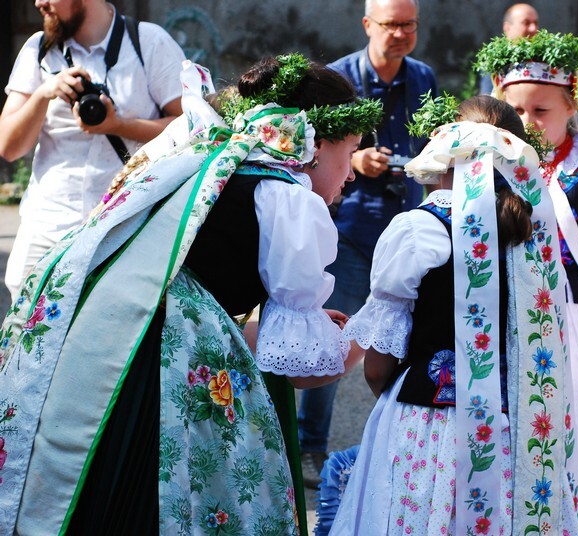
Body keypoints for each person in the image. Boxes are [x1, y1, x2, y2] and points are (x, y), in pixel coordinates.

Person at [0, 54, 380, 535]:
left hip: (111, 350)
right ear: (314, 144)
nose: (351, 174)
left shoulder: (208, 166)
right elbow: (300, 366)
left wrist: (251, 329)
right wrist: (373, 329)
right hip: (164, 381)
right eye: (348, 154)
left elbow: (199, 294)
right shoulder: (288, 199)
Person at [328, 95, 578, 535]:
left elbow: (378, 365)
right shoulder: (532, 230)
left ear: (447, 156)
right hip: (516, 430)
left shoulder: (420, 229)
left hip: (430, 427)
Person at [476, 30, 578, 479]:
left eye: (541, 111)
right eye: (518, 111)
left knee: (576, 417)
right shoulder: (495, 170)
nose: (528, 122)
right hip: (512, 310)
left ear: (572, 107)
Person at [298, 0, 438, 487]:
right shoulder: (337, 81)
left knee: (407, 340)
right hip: (350, 227)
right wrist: (355, 163)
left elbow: (435, 142)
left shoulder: (423, 77)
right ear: (366, 25)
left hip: (410, 229)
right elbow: (308, 147)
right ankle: (309, 445)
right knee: (334, 338)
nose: (399, 34)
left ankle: (397, 438)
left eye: (408, 25)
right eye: (389, 25)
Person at [0, 0, 186, 297]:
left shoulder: (148, 42)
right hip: (47, 225)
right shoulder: (38, 50)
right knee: (24, 336)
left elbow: (191, 128)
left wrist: (118, 125)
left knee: (111, 338)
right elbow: (8, 147)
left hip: (126, 229)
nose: (38, 3)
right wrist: (42, 94)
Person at [478, 3, 540, 95]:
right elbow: (486, 100)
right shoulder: (496, 59)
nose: (533, 28)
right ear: (507, 27)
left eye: (535, 23)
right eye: (526, 23)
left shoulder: (545, 59)